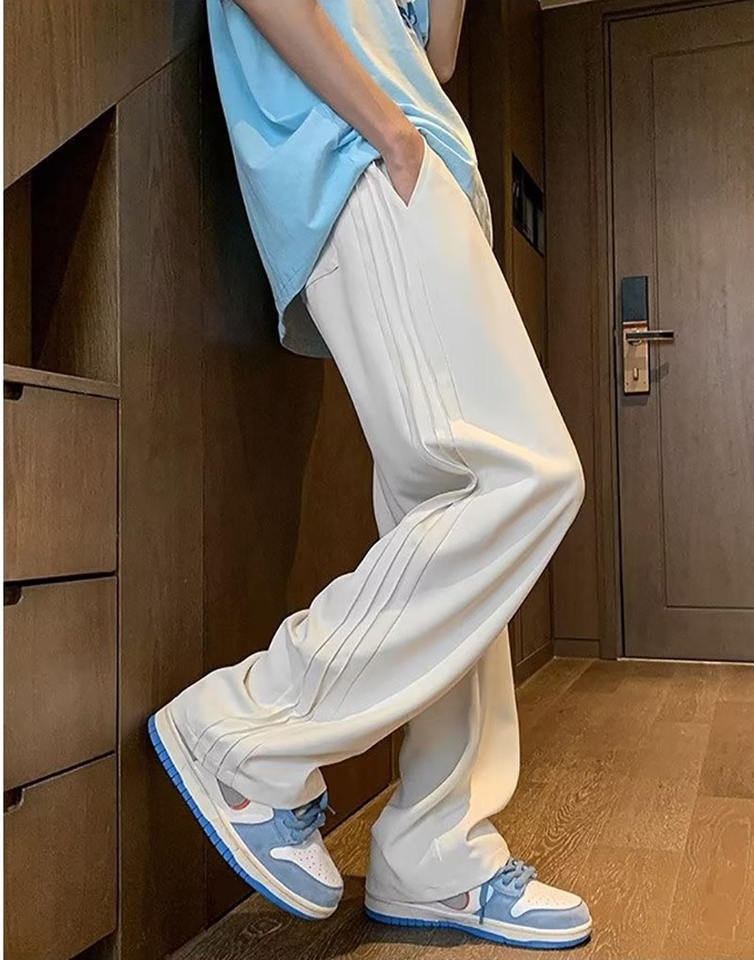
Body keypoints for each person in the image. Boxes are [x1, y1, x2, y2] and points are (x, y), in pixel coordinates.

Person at [148, 0, 592, 949]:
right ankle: (246, 728)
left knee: (449, 514)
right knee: (527, 475)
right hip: (364, 153)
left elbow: (437, 53)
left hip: (414, 160)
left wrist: (408, 134)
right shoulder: (377, 140)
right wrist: (387, 130)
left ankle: (435, 851)